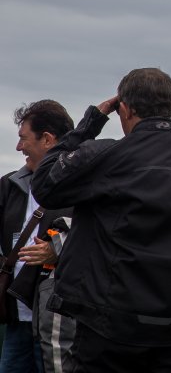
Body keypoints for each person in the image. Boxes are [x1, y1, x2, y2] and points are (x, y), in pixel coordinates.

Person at [31, 68, 171, 373]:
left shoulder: (104, 156)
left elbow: (45, 186)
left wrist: (91, 122)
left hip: (107, 323)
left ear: (125, 108)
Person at [1, 100, 75, 373]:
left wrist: (58, 249)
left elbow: (101, 239)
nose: (19, 147)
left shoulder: (86, 188)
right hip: (17, 317)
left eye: (23, 139)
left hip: (62, 323)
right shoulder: (9, 185)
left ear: (47, 139)